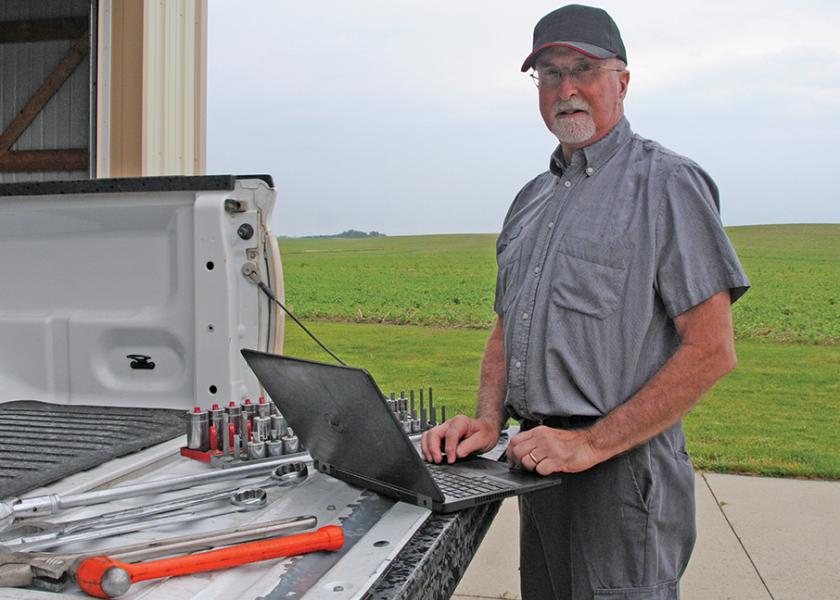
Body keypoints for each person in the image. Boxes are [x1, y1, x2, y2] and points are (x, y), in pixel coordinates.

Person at [420, 4, 750, 599]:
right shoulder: (530, 200)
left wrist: (590, 444)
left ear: (621, 82)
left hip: (622, 476)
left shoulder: (668, 184)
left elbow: (712, 349)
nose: (566, 89)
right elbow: (505, 332)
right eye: (549, 74)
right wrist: (489, 422)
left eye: (584, 69)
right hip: (537, 462)